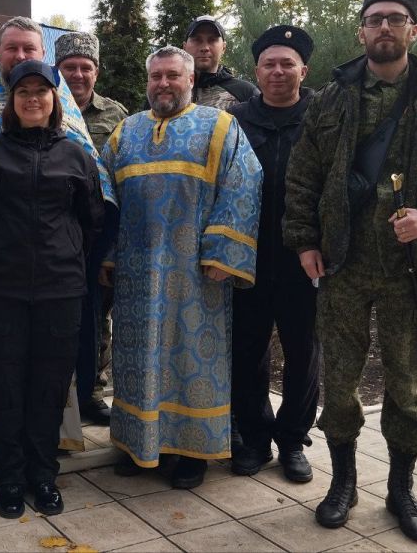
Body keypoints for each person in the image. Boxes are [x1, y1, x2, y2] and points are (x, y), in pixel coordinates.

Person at [283, 0, 417, 543]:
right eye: (375, 18)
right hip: (343, 264)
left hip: (411, 267)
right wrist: (304, 241)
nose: (384, 27)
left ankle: (402, 490)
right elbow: (303, 176)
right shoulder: (330, 100)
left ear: (413, 29)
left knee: (406, 383)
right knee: (341, 379)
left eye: (395, 18)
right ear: (361, 30)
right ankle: (343, 484)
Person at [0, 59, 105, 519]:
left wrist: (69, 258)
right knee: (4, 385)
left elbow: (91, 219)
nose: (33, 99)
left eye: (42, 91)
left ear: (55, 100)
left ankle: (44, 475)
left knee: (49, 387)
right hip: (1, 290)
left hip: (60, 291)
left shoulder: (75, 155)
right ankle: (11, 478)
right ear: (12, 102)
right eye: (24, 92)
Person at [103, 45, 261, 489]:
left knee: (192, 362)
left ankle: (192, 451)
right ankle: (140, 445)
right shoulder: (125, 132)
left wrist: (224, 254)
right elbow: (105, 197)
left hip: (196, 273)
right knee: (138, 360)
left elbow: (244, 183)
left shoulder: (220, 127)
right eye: (156, 76)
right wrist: (108, 255)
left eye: (173, 75)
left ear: (191, 80)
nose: (164, 84)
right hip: (136, 274)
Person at [0, 17, 116, 448]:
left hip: (54, 275)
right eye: (12, 48)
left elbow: (91, 205)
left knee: (49, 372)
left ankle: (44, 456)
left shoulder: (63, 111)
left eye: (29, 49)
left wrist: (72, 255)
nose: (20, 57)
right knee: (1, 372)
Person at [228, 25, 319, 484]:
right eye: (270, 63)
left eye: (288, 63)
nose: (278, 71)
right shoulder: (234, 118)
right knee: (247, 350)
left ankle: (292, 440)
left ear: (304, 69)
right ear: (256, 70)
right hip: (247, 255)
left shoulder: (324, 117)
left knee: (304, 351)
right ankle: (255, 437)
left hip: (306, 258)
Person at [56, 31, 127, 425]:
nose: (78, 75)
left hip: (99, 233)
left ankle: (93, 392)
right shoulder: (49, 106)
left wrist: (113, 251)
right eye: (70, 67)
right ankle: (62, 391)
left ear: (96, 72)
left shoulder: (116, 115)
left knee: (97, 316)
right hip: (57, 229)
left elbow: (123, 179)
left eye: (86, 68)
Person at [182, 15, 258, 110]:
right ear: (184, 47)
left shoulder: (245, 93)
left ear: (224, 47)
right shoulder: (171, 89)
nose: (204, 48)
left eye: (212, 40)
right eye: (197, 40)